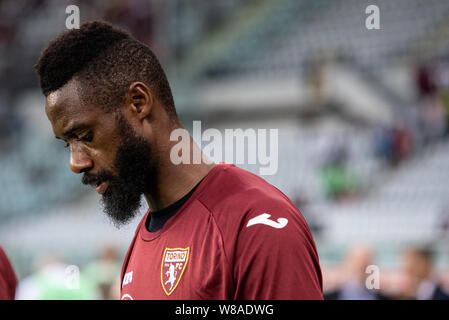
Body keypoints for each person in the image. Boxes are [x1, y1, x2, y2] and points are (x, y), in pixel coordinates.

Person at [35, 21, 323, 300]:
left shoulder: (258, 224)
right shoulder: (140, 244)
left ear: (138, 102)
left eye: (85, 136)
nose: (76, 163)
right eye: (67, 145)